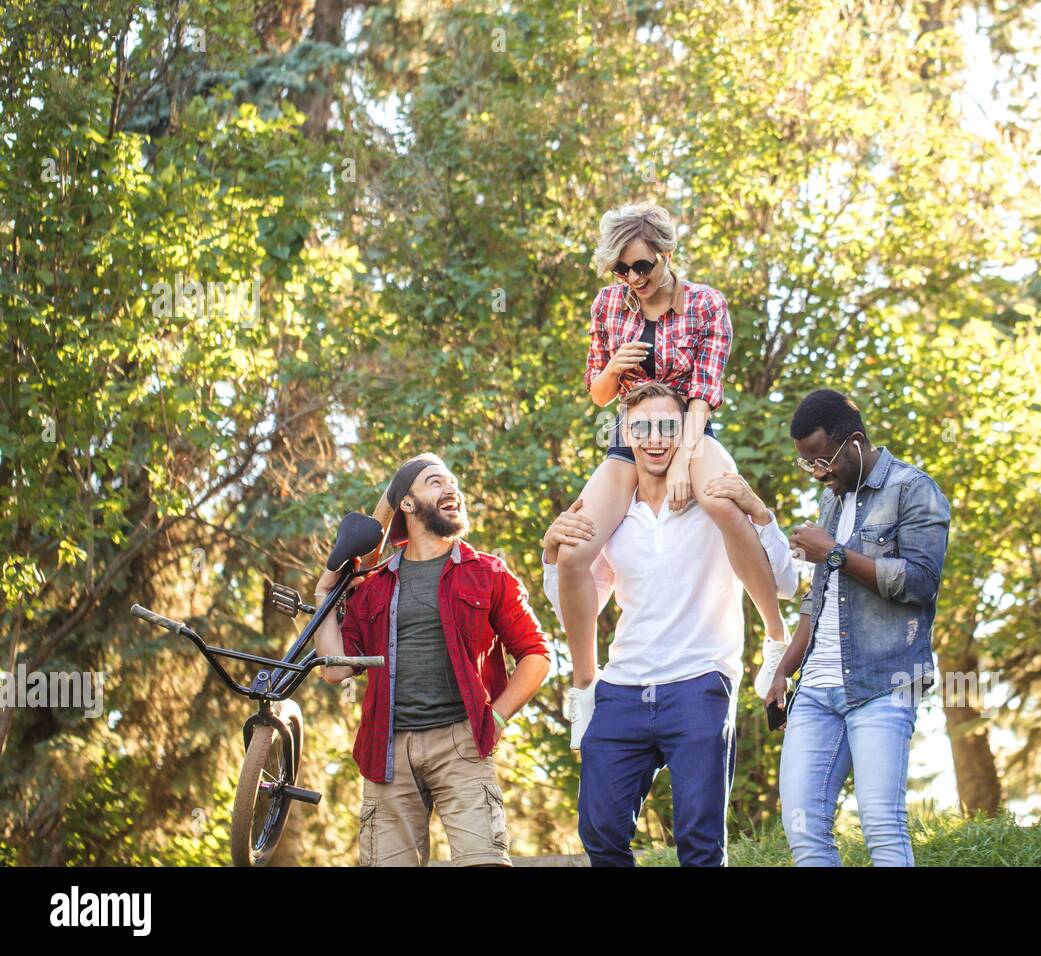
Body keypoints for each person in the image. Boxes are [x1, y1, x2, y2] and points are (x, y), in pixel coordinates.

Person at [541, 382, 798, 866]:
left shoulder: (712, 505)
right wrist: (552, 555)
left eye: (668, 427)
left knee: (699, 844)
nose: (655, 438)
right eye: (642, 426)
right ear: (625, 432)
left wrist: (760, 513)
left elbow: (784, 584)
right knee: (600, 833)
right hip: (621, 689)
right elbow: (579, 607)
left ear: (687, 433)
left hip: (699, 682)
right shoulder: (616, 516)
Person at [556, 202, 790, 700]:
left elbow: (704, 392)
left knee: (722, 503)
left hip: (691, 429)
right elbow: (599, 394)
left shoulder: (706, 304)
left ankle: (775, 635)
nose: (632, 277)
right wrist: (615, 365)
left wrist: (685, 456)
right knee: (574, 551)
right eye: (622, 269)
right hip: (631, 437)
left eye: (642, 265)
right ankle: (583, 685)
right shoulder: (608, 305)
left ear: (666, 253)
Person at [313, 453, 551, 866]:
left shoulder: (488, 573)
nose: (451, 489)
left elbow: (536, 654)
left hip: (461, 745)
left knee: (485, 861)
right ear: (406, 504)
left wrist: (496, 718)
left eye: (453, 482)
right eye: (435, 482)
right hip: (386, 750)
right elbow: (335, 668)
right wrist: (324, 598)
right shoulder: (373, 587)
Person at [765, 389, 950, 867]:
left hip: (883, 683)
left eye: (824, 460)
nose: (820, 473)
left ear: (856, 443)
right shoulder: (833, 503)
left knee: (882, 826)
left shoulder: (912, 488)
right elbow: (818, 599)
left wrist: (835, 553)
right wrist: (783, 671)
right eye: (808, 465)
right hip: (816, 689)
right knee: (803, 830)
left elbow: (921, 583)